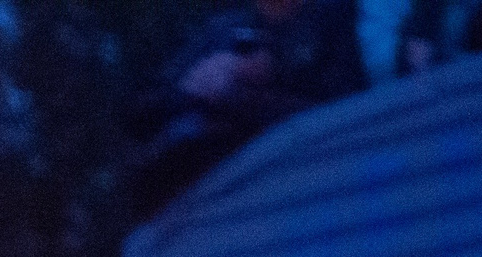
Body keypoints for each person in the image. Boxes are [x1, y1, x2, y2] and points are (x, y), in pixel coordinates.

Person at [126, 0, 367, 216]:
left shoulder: (337, 17)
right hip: (224, 219)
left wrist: (252, 83)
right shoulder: (223, 31)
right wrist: (194, 88)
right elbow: (142, 111)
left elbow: (346, 117)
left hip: (324, 198)